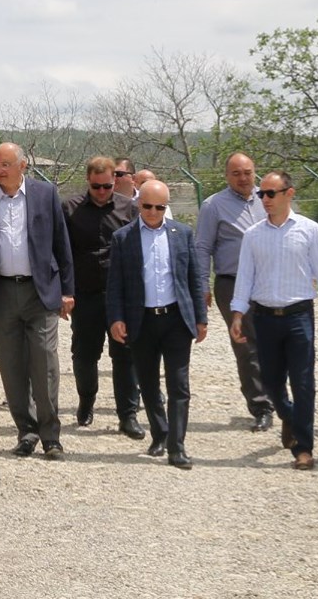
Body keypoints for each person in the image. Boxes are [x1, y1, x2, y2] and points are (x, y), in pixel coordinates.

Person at [0, 143, 75, 459]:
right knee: (11, 366)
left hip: (40, 292)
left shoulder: (45, 194)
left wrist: (67, 290)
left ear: (22, 166)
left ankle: (51, 436)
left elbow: (61, 243)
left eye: (6, 164)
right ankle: (26, 432)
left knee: (44, 363)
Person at [229, 171, 318, 470]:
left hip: (299, 317)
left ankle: (303, 448)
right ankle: (290, 417)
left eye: (271, 193)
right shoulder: (253, 235)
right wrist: (237, 314)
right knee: (270, 382)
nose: (265, 199)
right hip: (265, 317)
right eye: (262, 194)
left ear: (289, 193)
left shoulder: (309, 230)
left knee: (303, 382)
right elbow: (245, 277)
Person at [107, 180, 206, 469]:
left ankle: (177, 446)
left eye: (159, 207)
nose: (153, 212)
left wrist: (201, 318)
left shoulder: (182, 234)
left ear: (166, 206)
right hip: (142, 320)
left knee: (179, 384)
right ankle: (160, 433)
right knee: (148, 383)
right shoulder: (123, 238)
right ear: (139, 204)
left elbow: (194, 278)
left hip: (176, 319)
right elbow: (115, 284)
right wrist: (116, 318)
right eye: (148, 206)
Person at [195, 152, 276, 431]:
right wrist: (202, 285)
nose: (243, 178)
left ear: (255, 171)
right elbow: (202, 247)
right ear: (226, 176)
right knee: (246, 345)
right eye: (236, 173)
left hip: (269, 281)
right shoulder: (213, 206)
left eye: (247, 172)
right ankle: (261, 405)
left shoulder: (269, 199)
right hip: (232, 283)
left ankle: (279, 395)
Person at [63, 156, 142, 438]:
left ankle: (128, 415)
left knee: (125, 355)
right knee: (84, 355)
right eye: (96, 187)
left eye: (107, 186)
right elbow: (62, 253)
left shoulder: (130, 209)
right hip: (85, 295)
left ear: (115, 182)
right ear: (88, 181)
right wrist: (64, 291)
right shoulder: (70, 209)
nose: (101, 192)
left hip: (119, 296)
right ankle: (86, 401)